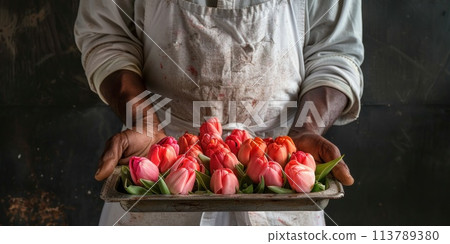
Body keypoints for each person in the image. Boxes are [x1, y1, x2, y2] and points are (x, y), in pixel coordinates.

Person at [74, 0, 363, 226]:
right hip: (160, 160)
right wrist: (144, 121)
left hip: (282, 163)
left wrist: (306, 129)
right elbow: (107, 35)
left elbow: (334, 52)